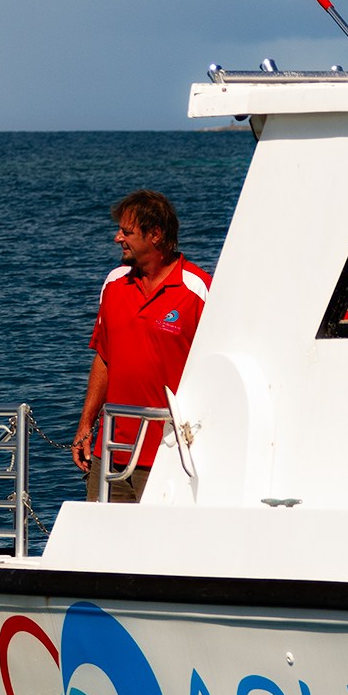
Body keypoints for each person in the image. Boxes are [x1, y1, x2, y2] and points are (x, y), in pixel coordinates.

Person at [72, 190, 212, 502]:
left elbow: (214, 371)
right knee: (101, 542)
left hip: (170, 454)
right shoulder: (114, 283)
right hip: (110, 451)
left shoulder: (198, 289)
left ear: (155, 235)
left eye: (127, 232)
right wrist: (85, 425)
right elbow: (104, 357)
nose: (117, 238)